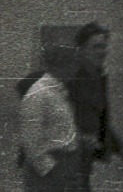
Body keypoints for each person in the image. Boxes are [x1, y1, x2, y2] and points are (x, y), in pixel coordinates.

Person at [67, 23, 123, 192]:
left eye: (104, 46)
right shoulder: (76, 79)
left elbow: (100, 118)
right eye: (96, 46)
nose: (102, 51)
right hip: (70, 156)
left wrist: (120, 147)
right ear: (82, 50)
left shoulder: (97, 76)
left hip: (84, 156)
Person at [19, 46, 81, 192]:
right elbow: (30, 140)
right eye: (73, 65)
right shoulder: (38, 93)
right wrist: (50, 170)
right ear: (59, 66)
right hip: (46, 171)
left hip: (64, 165)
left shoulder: (59, 91)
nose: (76, 71)